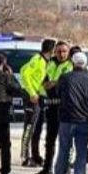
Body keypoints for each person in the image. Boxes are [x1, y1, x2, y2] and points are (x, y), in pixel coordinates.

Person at [53, 51, 88, 174]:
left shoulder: (65, 78)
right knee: (81, 150)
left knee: (63, 149)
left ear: (72, 63)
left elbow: (58, 93)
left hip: (66, 119)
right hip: (84, 120)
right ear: (85, 64)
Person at [34, 41, 72, 174]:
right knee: (50, 140)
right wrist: (48, 84)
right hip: (51, 106)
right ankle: (47, 168)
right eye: (59, 51)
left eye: (64, 51)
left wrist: (55, 83)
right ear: (55, 52)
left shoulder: (70, 65)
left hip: (65, 108)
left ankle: (66, 169)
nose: (61, 54)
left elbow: (66, 82)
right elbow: (42, 79)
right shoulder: (49, 63)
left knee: (66, 141)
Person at [18, 39, 52, 167]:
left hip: (41, 98)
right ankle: (24, 156)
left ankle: (35, 155)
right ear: (50, 50)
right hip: (32, 98)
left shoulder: (46, 62)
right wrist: (31, 92)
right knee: (29, 127)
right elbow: (24, 73)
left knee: (37, 128)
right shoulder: (37, 59)